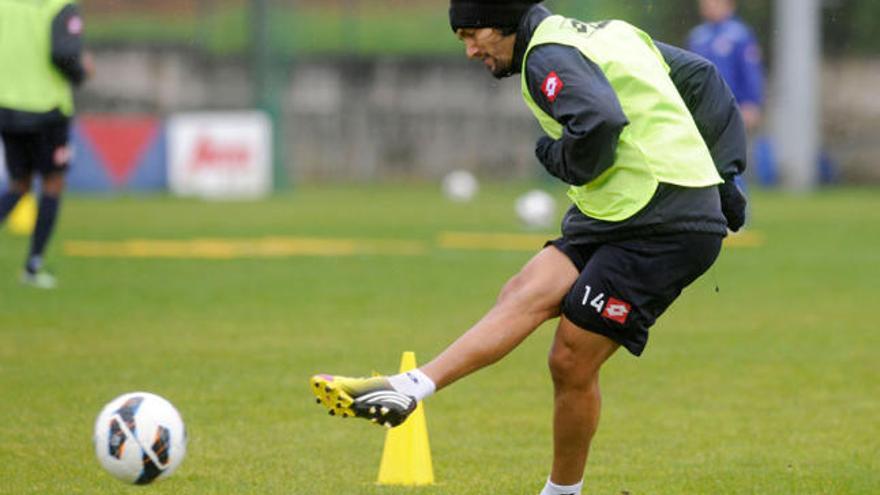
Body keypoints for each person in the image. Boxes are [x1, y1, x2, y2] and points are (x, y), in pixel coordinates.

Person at [310, 1, 747, 493]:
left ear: (506, 22)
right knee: (525, 288)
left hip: (662, 223)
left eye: (474, 34)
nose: (472, 50)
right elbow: (702, 78)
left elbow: (599, 122)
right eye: (462, 39)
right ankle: (409, 388)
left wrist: (561, 157)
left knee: (570, 359)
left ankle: (561, 493)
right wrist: (725, 174)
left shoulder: (546, 55)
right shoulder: (607, 34)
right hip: (618, 209)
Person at [0, 0, 93, 289]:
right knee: (52, 183)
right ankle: (33, 266)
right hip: (47, 110)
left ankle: (33, 266)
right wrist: (83, 71)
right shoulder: (59, 6)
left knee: (19, 186)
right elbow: (64, 54)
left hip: (7, 106)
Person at [688, 0, 765, 134]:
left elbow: (750, 71)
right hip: (703, 111)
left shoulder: (740, 35)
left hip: (734, 109)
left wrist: (752, 102)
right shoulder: (697, 37)